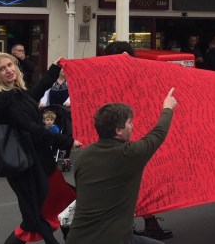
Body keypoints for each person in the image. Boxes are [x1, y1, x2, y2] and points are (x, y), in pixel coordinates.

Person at [0, 53, 81, 244]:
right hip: (31, 166)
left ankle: (72, 239)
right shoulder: (4, 99)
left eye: (10, 65)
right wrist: (69, 141)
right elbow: (34, 131)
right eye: (2, 69)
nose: (9, 70)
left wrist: (54, 69)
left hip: (36, 162)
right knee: (37, 220)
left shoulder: (13, 92)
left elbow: (32, 95)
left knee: (64, 206)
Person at [67, 91, 177, 244]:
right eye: (130, 123)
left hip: (77, 238)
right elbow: (158, 134)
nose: (133, 126)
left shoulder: (83, 156)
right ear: (118, 130)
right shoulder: (129, 154)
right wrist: (168, 108)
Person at [101, 41, 174, 241]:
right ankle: (142, 224)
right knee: (133, 181)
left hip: (123, 133)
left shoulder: (110, 76)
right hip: (124, 134)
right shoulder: (117, 76)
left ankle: (145, 223)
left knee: (134, 180)